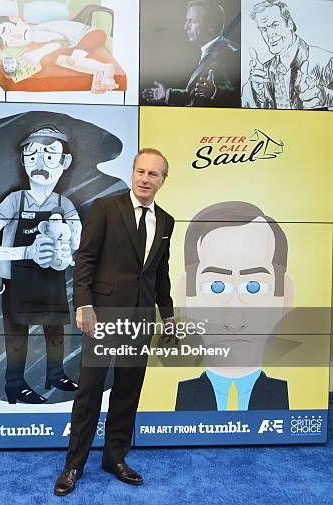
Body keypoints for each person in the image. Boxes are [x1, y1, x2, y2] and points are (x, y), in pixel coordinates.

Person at [54, 148, 175, 496]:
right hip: (103, 317)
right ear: (133, 172)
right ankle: (73, 466)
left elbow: (160, 273)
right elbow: (86, 260)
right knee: (89, 393)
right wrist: (84, 305)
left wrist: (166, 315)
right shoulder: (107, 208)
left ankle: (114, 458)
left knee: (127, 392)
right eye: (141, 171)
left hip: (140, 319)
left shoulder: (166, 221)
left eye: (154, 174)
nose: (145, 179)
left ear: (163, 180)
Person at [0, 126, 82, 404]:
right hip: (17, 282)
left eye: (49, 156)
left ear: (65, 163)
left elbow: (77, 243)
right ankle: (14, 384)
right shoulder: (14, 201)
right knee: (16, 335)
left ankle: (55, 374)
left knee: (55, 330)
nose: (39, 164)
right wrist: (28, 252)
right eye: (33, 155)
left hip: (52, 281)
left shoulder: (65, 204)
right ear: (23, 160)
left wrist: (64, 242)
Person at [174, 201, 291, 411]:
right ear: (185, 298)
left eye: (254, 287)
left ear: (285, 299)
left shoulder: (281, 394)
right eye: (216, 287)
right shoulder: (184, 394)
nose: (235, 322)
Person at [0, 12, 119, 94]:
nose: (16, 37)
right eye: (10, 41)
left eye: (10, 30)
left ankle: (106, 69)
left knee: (74, 61)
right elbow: (2, 32)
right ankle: (99, 73)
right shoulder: (30, 28)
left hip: (90, 35)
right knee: (62, 61)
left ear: (16, 19)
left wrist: (38, 53)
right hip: (80, 39)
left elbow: (60, 41)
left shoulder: (36, 34)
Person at [142, 0, 240, 107]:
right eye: (187, 21)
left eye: (192, 21)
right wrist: (167, 94)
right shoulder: (209, 51)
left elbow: (240, 94)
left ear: (211, 26)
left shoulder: (232, 53)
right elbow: (194, 96)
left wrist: (214, 92)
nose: (186, 27)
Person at [242, 0, 333, 109]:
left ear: (289, 23)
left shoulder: (327, 61)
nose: (269, 35)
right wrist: (255, 92)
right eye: (263, 29)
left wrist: (327, 98)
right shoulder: (263, 72)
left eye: (274, 25)